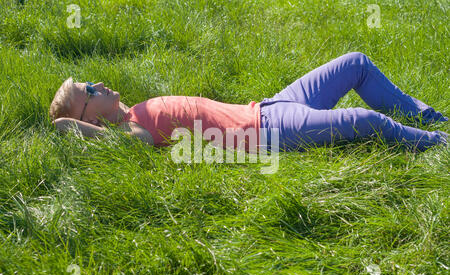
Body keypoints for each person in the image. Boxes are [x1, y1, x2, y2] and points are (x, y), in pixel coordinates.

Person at [50, 52, 448, 153]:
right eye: (87, 90)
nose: (96, 83)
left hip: (271, 105)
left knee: (356, 64)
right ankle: (436, 143)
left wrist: (82, 105)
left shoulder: (134, 111)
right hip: (268, 131)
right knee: (364, 120)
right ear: (91, 121)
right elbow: (65, 127)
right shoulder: (130, 131)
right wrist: (69, 123)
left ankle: (432, 118)